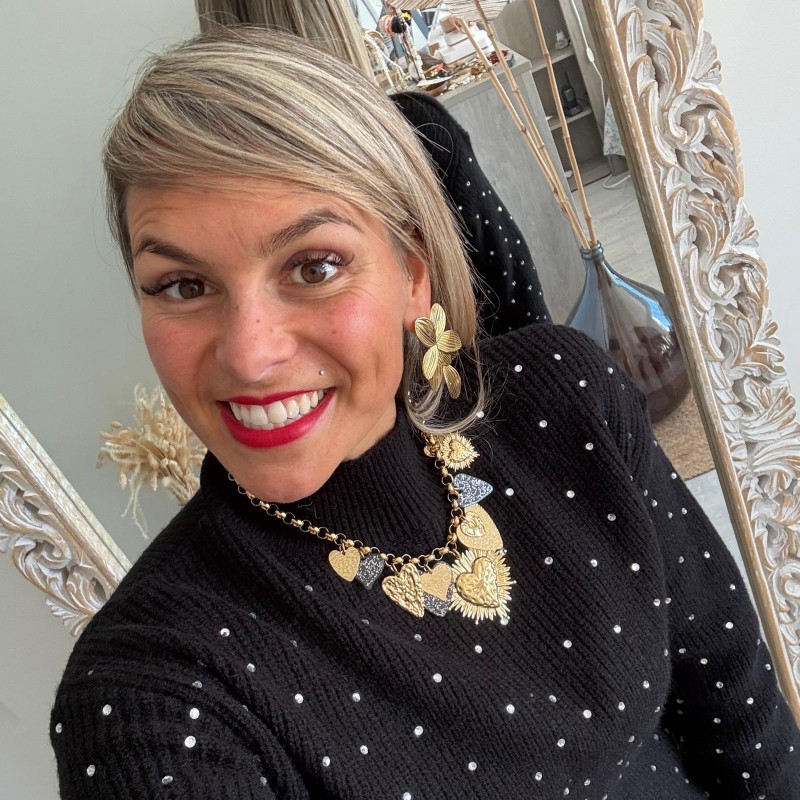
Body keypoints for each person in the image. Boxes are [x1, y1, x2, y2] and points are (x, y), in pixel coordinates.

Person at [50, 28, 800, 799]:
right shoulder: (154, 692)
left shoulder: (563, 399)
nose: (248, 354)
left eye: (315, 266)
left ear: (412, 273)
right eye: (182, 285)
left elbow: (742, 719)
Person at [195, 0, 551, 334]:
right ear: (334, 18)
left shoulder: (204, 185)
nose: (250, 361)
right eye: (189, 287)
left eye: (315, 270)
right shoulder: (417, 134)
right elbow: (523, 308)